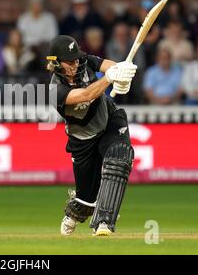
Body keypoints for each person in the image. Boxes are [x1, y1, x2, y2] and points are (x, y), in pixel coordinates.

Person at [47, 35, 137, 236]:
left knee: (119, 157)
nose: (76, 63)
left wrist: (121, 73)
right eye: (70, 61)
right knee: (86, 200)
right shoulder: (55, 90)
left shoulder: (83, 60)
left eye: (77, 58)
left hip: (109, 121)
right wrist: (110, 79)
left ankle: (104, 222)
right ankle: (76, 211)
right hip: (82, 139)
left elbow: (107, 65)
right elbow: (85, 95)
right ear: (55, 63)